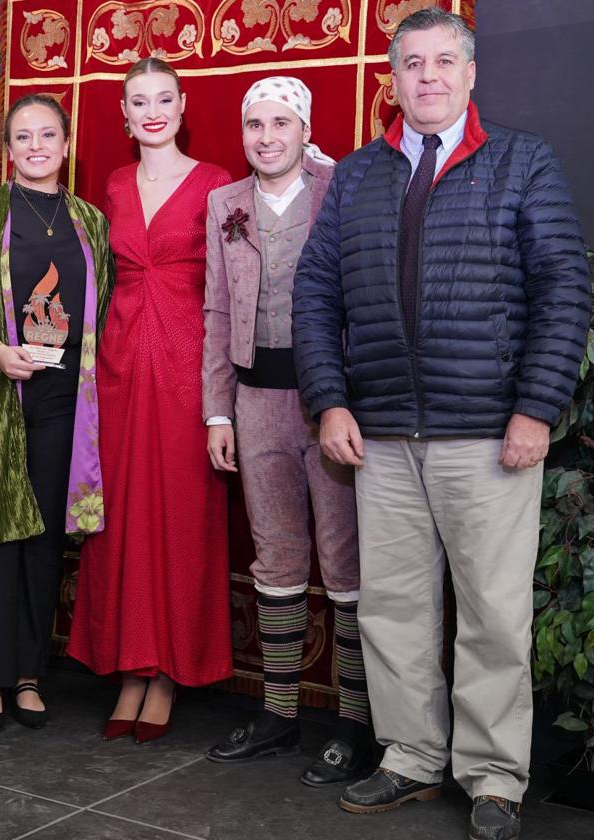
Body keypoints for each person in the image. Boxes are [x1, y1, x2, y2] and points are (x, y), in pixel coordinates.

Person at [291, 9, 591, 839]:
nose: (427, 77)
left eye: (442, 62)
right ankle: (412, 758)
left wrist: (536, 407)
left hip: (488, 437)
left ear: (469, 74)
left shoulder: (521, 161)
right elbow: (315, 294)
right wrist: (330, 398)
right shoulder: (355, 175)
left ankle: (495, 777)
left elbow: (564, 288)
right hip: (380, 437)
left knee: (494, 614)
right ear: (394, 78)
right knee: (392, 608)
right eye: (412, 63)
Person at [200, 77, 373, 786]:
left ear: (305, 129)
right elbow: (215, 312)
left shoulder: (345, 189)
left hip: (330, 402)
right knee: (275, 559)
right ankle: (277, 714)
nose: (266, 136)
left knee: (346, 566)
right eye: (254, 125)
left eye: (280, 123)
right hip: (255, 400)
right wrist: (218, 410)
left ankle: (358, 726)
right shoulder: (224, 204)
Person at [0, 94, 112, 735]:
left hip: (64, 404)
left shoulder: (90, 221)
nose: (36, 147)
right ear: (8, 151)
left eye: (48, 135)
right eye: (23, 137)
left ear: (66, 144)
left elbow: (104, 311)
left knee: (41, 543)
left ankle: (30, 674)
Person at [67, 57, 234, 743]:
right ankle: (129, 668)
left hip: (186, 371)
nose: (153, 110)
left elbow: (230, 291)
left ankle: (165, 671)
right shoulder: (110, 185)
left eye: (164, 98)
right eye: (140, 101)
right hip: (118, 367)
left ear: (182, 104)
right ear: (125, 115)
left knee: (182, 519)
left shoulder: (218, 184)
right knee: (122, 519)